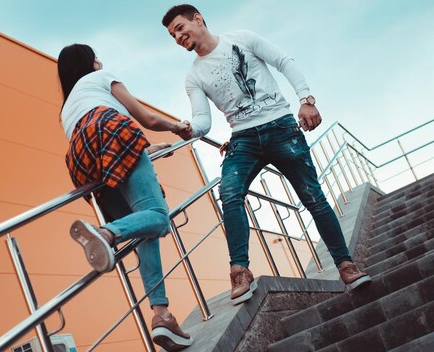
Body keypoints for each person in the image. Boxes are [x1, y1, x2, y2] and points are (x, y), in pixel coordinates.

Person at [162, 5, 371, 305]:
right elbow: (203, 121)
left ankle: (346, 265)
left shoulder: (241, 38)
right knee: (230, 192)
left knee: (312, 196)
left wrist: (306, 100)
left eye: (180, 28)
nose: (178, 37)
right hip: (243, 140)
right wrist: (188, 129)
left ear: (197, 18)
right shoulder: (193, 76)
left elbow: (284, 62)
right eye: (172, 36)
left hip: (281, 127)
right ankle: (239, 271)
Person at [58, 44, 193, 351]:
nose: (100, 60)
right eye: (95, 57)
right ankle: (104, 233)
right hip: (112, 129)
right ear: (90, 62)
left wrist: (145, 150)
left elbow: (97, 141)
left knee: (144, 230)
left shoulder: (67, 108)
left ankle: (162, 315)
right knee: (157, 217)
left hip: (81, 156)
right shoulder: (102, 77)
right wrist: (178, 127)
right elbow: (145, 118)